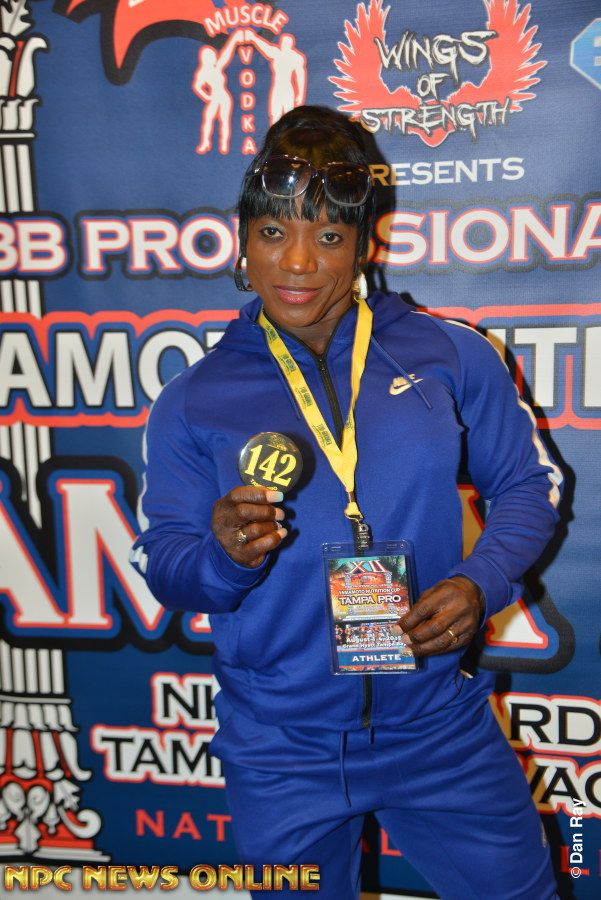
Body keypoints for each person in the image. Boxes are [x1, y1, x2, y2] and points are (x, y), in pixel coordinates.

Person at [131, 106, 562, 899]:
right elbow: (168, 567)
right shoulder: (193, 398)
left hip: (440, 729)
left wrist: (480, 583)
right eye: (272, 232)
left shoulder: (448, 354)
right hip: (281, 748)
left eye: (328, 235)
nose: (297, 261)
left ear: (365, 245)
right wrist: (223, 557)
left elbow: (529, 488)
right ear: (241, 240)